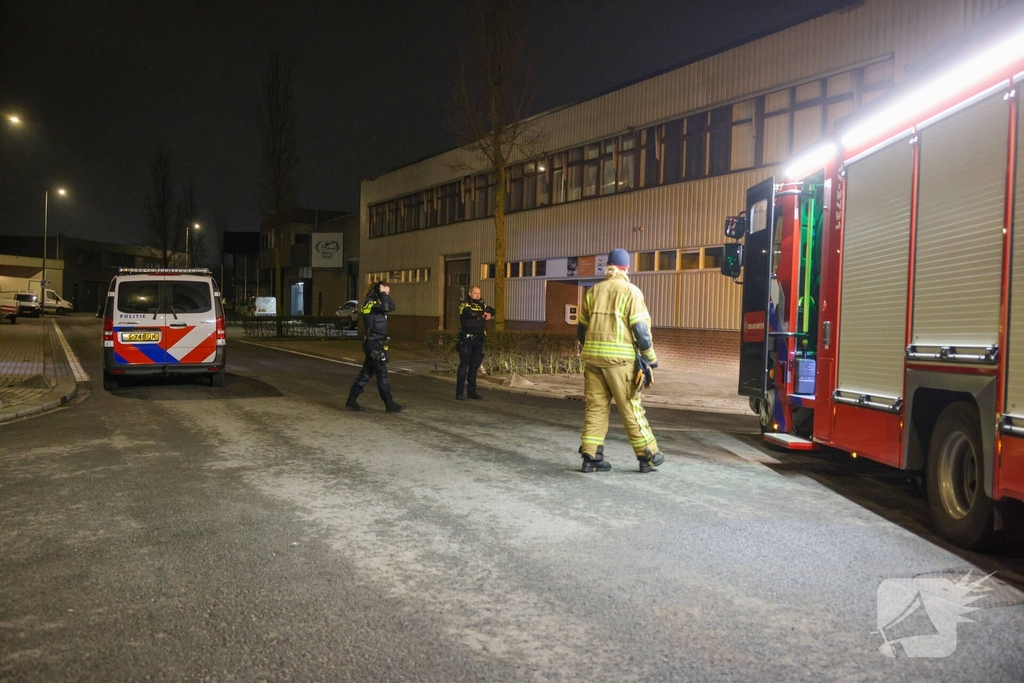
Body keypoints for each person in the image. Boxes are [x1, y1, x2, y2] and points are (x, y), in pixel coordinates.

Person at [576, 248, 663, 473]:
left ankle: (591, 458)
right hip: (620, 362)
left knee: (595, 409)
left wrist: (591, 350)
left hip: (593, 361)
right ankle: (649, 456)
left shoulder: (593, 291)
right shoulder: (631, 291)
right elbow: (641, 332)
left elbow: (581, 329)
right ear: (627, 268)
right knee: (631, 409)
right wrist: (651, 359)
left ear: (608, 266)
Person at [346, 282, 405, 413]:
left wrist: (384, 293)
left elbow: (392, 306)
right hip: (374, 344)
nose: (387, 295)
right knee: (382, 374)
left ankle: (351, 400)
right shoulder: (370, 304)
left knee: (365, 374)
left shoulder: (376, 304)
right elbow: (387, 307)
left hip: (377, 343)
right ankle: (389, 403)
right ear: (378, 291)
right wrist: (383, 293)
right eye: (386, 292)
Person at [456, 286, 495, 400]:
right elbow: (470, 313)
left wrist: (489, 314)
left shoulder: (481, 304)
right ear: (469, 293)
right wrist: (483, 313)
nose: (478, 295)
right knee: (464, 366)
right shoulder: (464, 304)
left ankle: (471, 392)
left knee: (474, 367)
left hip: (479, 339)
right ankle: (459, 393)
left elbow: (492, 310)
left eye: (479, 293)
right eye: (475, 293)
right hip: (467, 339)